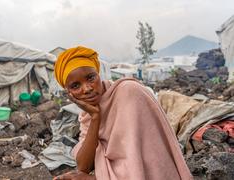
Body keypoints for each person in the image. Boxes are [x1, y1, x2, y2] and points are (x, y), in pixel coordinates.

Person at [53, 46, 192, 180]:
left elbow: (139, 159)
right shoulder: (86, 115)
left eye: (90, 78)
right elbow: (83, 166)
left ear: (98, 75)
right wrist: (95, 117)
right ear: (69, 93)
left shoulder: (129, 92)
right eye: (75, 86)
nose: (87, 88)